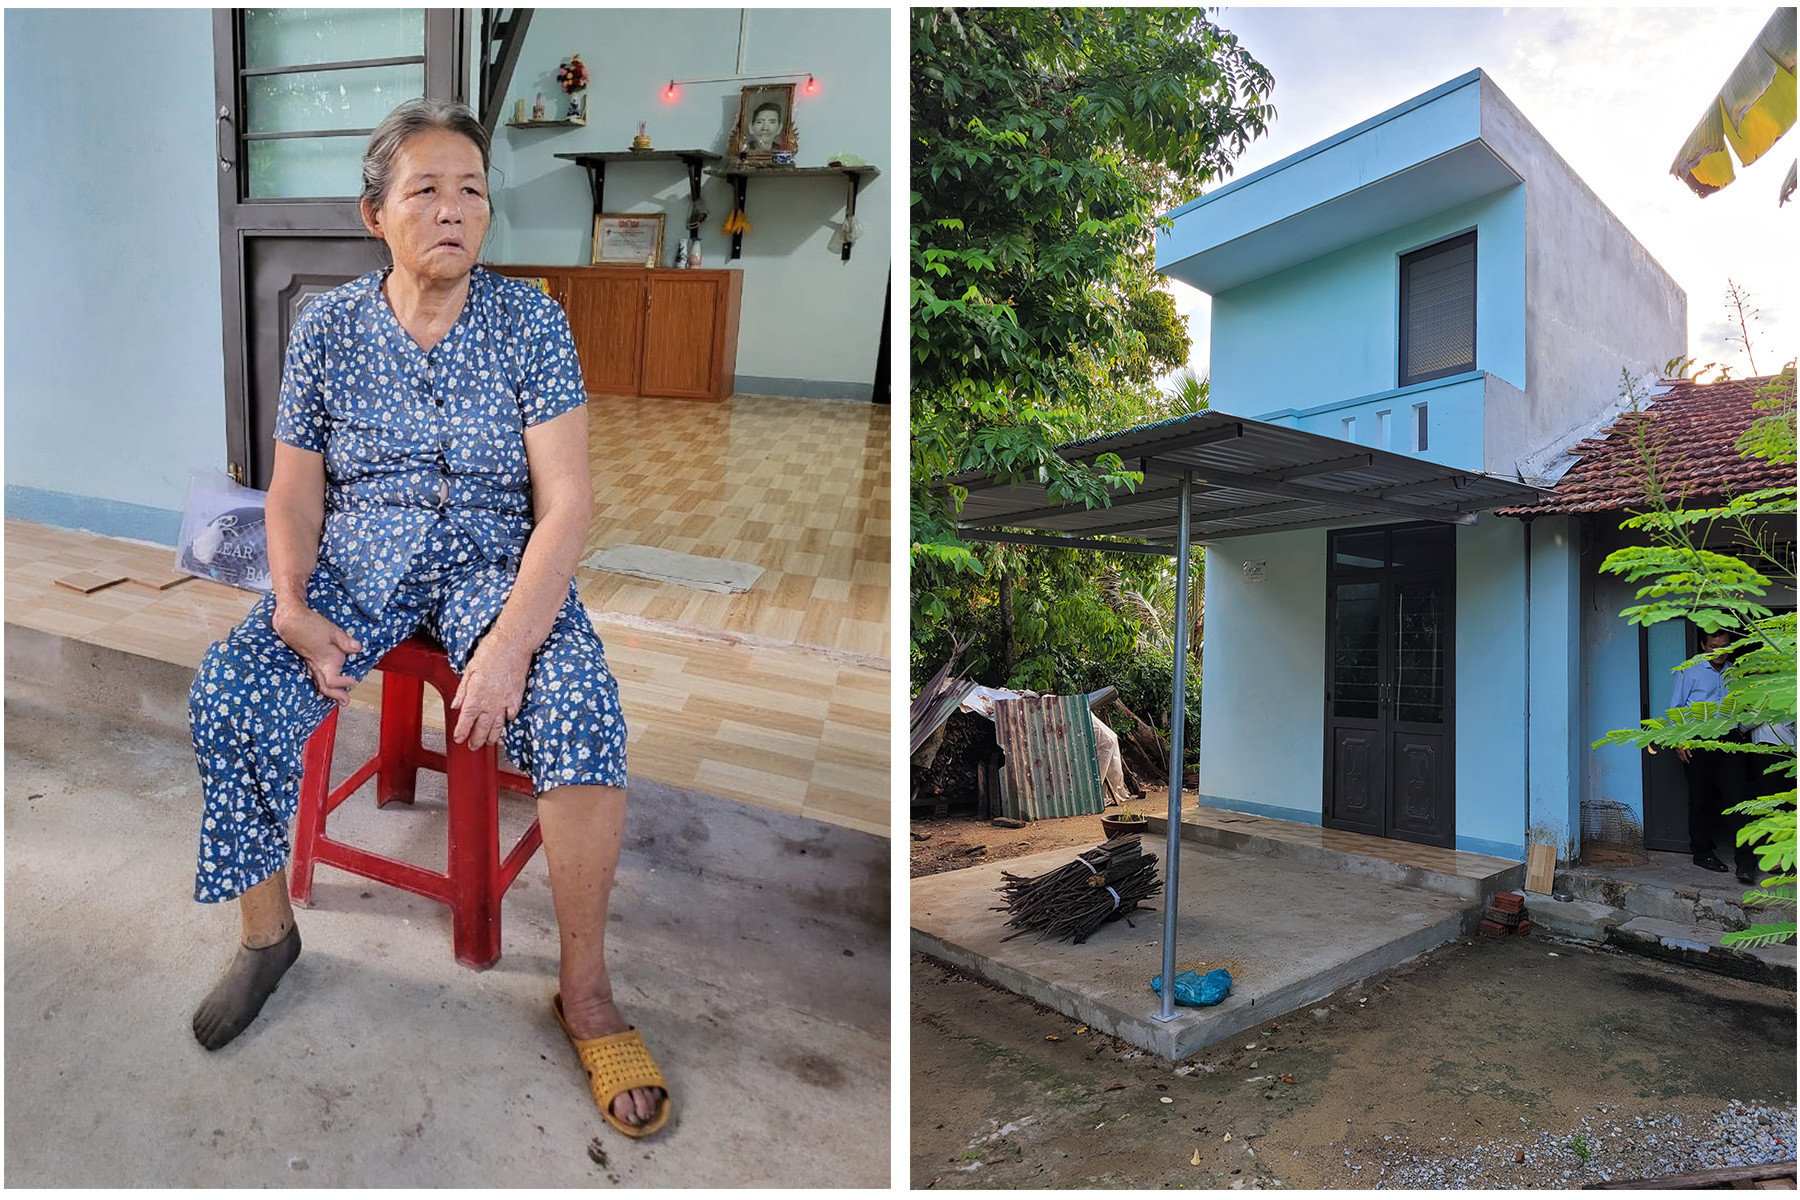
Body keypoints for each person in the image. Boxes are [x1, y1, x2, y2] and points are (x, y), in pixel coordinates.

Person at [186, 98, 668, 1138]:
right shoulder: (327, 328)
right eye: (426, 190)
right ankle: (267, 937)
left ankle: (584, 990)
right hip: (364, 554)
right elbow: (296, 492)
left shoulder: (530, 319)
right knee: (228, 685)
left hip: (496, 558)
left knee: (579, 705)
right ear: (375, 214)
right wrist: (293, 603)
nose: (455, 210)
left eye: (473, 191)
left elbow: (569, 500)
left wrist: (509, 646)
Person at [1669, 625, 1747, 877]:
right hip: (1698, 740)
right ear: (1703, 646)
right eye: (1714, 647)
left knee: (1738, 799)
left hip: (1729, 740)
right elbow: (1677, 708)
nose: (1720, 652)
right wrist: (1680, 740)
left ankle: (1745, 858)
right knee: (1700, 798)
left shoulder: (1735, 672)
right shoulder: (1688, 670)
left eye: (1725, 647)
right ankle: (1702, 852)